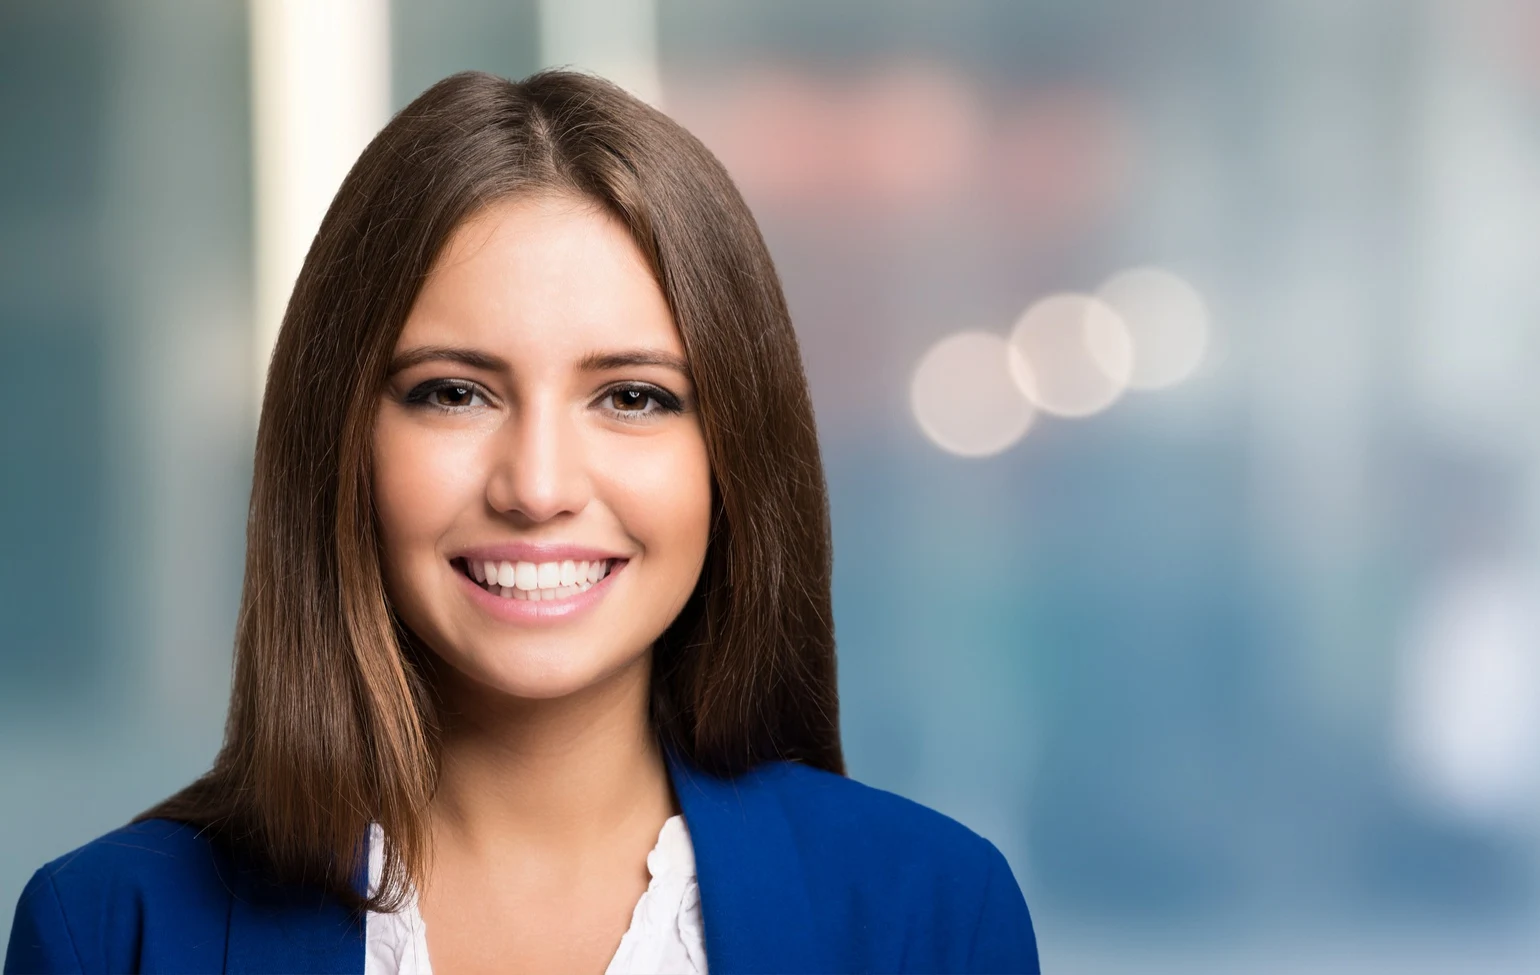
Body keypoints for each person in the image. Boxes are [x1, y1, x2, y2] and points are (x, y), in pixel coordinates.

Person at [4, 69, 1038, 975]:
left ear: (733, 461)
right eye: (453, 392)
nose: (536, 487)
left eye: (632, 396)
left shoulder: (928, 913)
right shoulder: (109, 929)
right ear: (339, 445)